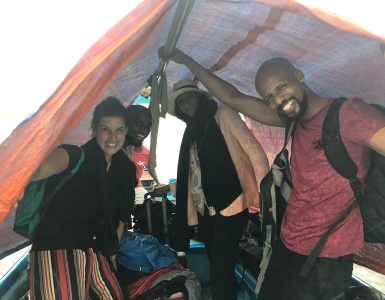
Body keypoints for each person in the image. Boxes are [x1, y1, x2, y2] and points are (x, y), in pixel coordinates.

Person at [163, 48, 385, 300]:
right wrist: (186, 59)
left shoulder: (348, 115)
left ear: (299, 76)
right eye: (269, 97)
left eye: (280, 87)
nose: (277, 100)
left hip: (326, 255)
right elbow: (233, 97)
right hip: (287, 244)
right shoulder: (292, 120)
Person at [165, 79, 269, 300]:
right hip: (206, 210)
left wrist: (264, 193)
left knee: (220, 269)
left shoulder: (223, 116)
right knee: (218, 262)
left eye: (190, 97)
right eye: (181, 102)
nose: (186, 104)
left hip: (231, 204)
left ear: (201, 97)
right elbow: (193, 171)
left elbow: (254, 152)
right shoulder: (192, 131)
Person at [28, 97, 136, 300]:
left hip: (98, 252)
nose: (112, 137)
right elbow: (37, 169)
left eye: (119, 130)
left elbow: (121, 216)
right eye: (105, 129)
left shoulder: (124, 169)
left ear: (125, 131)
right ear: (94, 128)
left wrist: (112, 253)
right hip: (57, 250)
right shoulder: (74, 156)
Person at [124, 104, 161, 204]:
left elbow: (151, 169)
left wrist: (158, 183)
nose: (143, 131)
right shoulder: (115, 150)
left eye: (147, 127)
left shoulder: (146, 152)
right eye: (138, 124)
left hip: (136, 188)